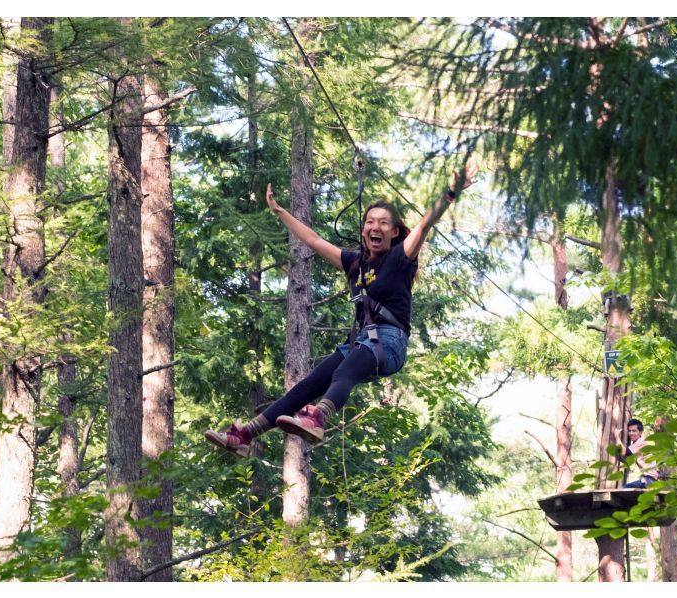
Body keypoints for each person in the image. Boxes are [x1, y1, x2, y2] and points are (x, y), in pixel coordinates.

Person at [204, 160, 479, 456]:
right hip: (363, 343)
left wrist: (451, 192)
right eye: (370, 221)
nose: (376, 227)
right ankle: (247, 435)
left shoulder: (401, 257)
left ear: (396, 232)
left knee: (343, 372)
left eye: (384, 223)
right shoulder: (355, 263)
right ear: (363, 230)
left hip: (390, 342)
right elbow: (313, 239)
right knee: (308, 385)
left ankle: (318, 417)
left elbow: (426, 223)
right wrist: (280, 212)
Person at [617, 418, 659, 489]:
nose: (631, 433)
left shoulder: (640, 443)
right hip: (651, 480)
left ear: (640, 432)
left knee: (625, 489)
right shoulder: (640, 443)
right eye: (629, 431)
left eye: (634, 431)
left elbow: (624, 452)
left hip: (649, 479)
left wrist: (616, 436)